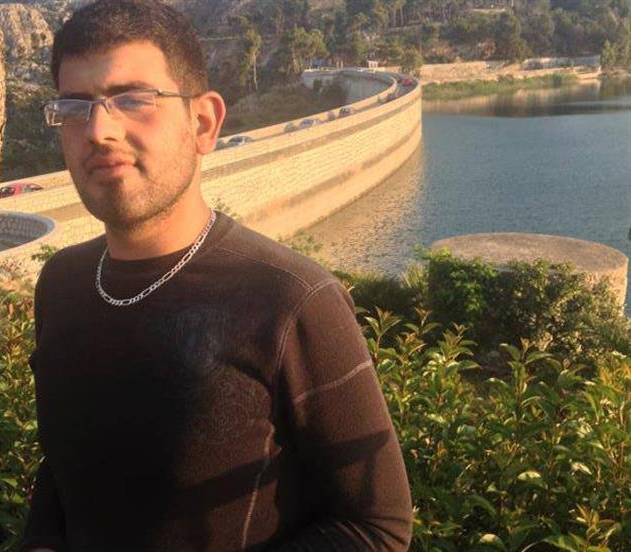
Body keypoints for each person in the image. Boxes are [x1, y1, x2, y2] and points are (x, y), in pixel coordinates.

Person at [21, 1, 412, 550]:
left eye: (133, 99)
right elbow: (64, 477)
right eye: (74, 107)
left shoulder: (292, 300)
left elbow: (377, 526)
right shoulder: (62, 285)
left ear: (203, 123)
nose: (99, 130)